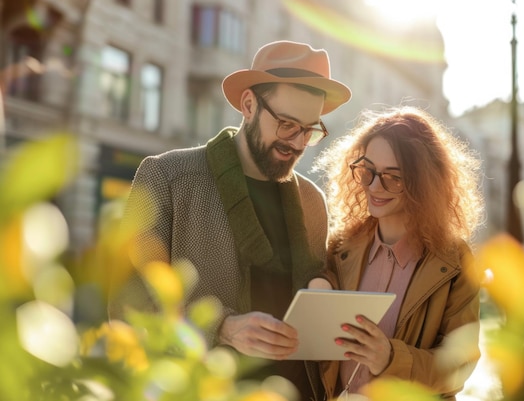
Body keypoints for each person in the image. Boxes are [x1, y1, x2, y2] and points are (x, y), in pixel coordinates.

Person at [108, 40, 351, 400]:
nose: (297, 142)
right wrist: (223, 328)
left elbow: (314, 282)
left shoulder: (313, 200)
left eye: (308, 129)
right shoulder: (165, 176)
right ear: (249, 104)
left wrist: (322, 284)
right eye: (286, 124)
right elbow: (126, 304)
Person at [311, 106, 485, 400]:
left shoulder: (455, 260)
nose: (375, 187)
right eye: (367, 171)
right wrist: (320, 281)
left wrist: (391, 359)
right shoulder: (342, 247)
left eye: (393, 177)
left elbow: (460, 365)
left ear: (423, 183)